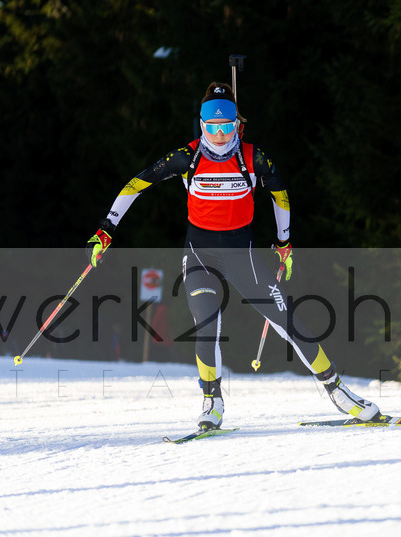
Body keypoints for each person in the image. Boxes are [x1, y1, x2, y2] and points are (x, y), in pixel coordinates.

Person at [86, 82, 379, 429]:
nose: (220, 135)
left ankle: (339, 392)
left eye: (226, 126)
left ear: (237, 125)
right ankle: (212, 402)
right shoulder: (187, 157)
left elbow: (280, 194)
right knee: (206, 324)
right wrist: (106, 228)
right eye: (212, 127)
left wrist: (284, 242)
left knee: (287, 320)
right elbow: (136, 184)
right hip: (200, 256)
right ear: (201, 125)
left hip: (244, 256)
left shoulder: (253, 158)